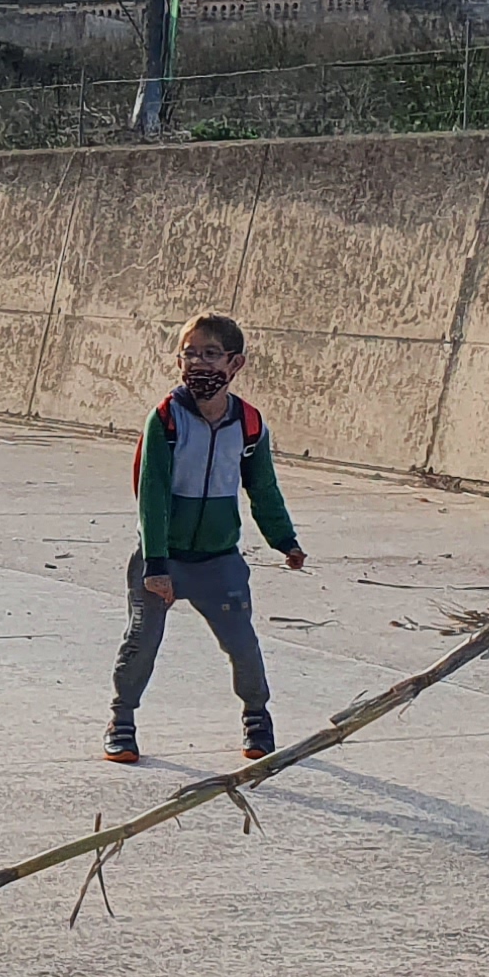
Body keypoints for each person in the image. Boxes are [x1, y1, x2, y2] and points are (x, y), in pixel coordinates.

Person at [103, 312, 306, 765]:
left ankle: (257, 718)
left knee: (242, 644)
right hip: (164, 559)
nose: (199, 364)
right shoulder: (166, 419)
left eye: (211, 354)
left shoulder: (249, 424)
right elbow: (151, 494)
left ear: (236, 364)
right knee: (140, 641)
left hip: (219, 562)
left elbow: (263, 487)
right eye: (190, 354)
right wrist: (155, 565)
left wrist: (284, 540)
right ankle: (122, 721)